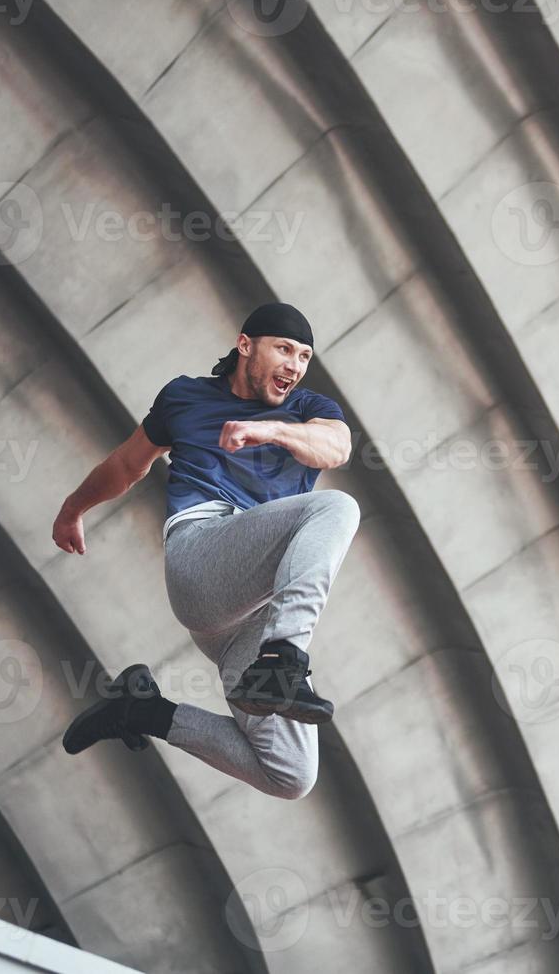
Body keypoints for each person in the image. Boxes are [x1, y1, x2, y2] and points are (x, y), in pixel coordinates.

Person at [52, 303, 360, 800]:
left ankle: (142, 710)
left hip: (244, 618)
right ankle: (283, 659)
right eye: (284, 349)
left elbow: (336, 448)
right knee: (337, 508)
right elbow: (129, 464)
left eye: (304, 356)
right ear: (245, 346)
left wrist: (271, 430)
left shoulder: (308, 410)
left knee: (291, 776)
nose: (295, 366)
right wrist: (73, 508)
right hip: (201, 555)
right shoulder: (185, 397)